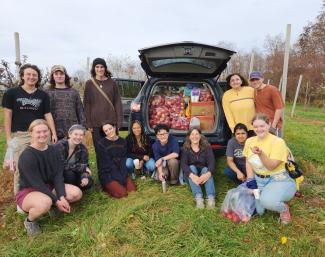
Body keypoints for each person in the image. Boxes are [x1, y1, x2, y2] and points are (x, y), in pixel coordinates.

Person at [16, 119, 82, 236]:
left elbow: (57, 175)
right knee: (44, 203)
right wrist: (56, 201)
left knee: (76, 193)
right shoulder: (27, 156)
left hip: (48, 186)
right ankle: (30, 221)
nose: (42, 134)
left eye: (45, 131)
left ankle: (53, 207)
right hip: (29, 190)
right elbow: (36, 184)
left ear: (49, 132)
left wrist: (61, 196)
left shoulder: (54, 150)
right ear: (31, 133)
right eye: (38, 132)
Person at [2, 64, 57, 196]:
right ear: (22, 76)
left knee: (44, 164)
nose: (31, 77)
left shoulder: (42, 95)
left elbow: (47, 114)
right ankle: (20, 197)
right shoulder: (11, 93)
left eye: (34, 75)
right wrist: (9, 137)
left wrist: (53, 133)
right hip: (20, 135)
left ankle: (44, 192)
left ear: (38, 78)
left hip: (41, 134)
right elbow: (7, 116)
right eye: (29, 74)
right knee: (20, 166)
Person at [243, 113, 296, 224]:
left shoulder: (278, 142)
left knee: (267, 202)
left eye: (262, 126)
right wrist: (250, 181)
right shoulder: (249, 141)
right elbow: (248, 162)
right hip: (259, 179)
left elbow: (271, 166)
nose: (259, 129)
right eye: (256, 126)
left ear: (269, 124)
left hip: (278, 179)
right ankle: (268, 196)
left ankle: (284, 208)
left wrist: (261, 154)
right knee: (260, 211)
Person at [83, 58, 123, 157]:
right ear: (94, 68)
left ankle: (115, 171)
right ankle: (102, 172)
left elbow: (117, 102)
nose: (99, 69)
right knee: (99, 150)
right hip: (96, 123)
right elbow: (87, 104)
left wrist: (119, 121)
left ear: (105, 68)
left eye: (102, 67)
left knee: (113, 149)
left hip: (111, 121)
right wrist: (88, 123)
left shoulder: (112, 83)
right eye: (97, 67)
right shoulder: (89, 84)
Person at [45, 65, 86, 140]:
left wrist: (82, 129)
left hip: (73, 132)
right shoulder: (47, 93)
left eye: (61, 74)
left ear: (65, 76)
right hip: (54, 133)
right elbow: (46, 113)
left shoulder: (74, 92)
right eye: (56, 74)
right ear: (52, 76)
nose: (59, 76)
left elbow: (80, 112)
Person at [97, 121, 136, 198]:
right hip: (108, 172)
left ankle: (120, 183)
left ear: (114, 128)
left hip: (121, 170)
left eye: (110, 128)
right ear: (104, 132)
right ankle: (106, 186)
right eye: (106, 131)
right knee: (122, 194)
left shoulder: (123, 141)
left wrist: (123, 176)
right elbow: (106, 164)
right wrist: (119, 178)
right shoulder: (101, 144)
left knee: (132, 190)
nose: (109, 131)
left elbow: (124, 158)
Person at [181, 128, 216, 209]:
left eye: (197, 134)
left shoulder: (207, 147)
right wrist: (192, 176)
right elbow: (183, 164)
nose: (195, 136)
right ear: (189, 137)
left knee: (206, 169)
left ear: (200, 136)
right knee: (191, 167)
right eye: (192, 134)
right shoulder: (186, 148)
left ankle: (210, 198)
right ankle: (199, 198)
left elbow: (212, 162)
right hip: (191, 176)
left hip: (203, 175)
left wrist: (207, 174)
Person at [55, 124, 93, 190]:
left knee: (88, 182)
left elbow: (84, 164)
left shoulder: (83, 148)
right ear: (69, 134)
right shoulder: (60, 145)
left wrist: (85, 176)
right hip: (60, 174)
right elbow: (60, 165)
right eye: (76, 134)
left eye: (81, 135)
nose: (78, 137)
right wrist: (82, 168)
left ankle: (75, 187)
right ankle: (70, 188)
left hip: (76, 172)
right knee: (69, 174)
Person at [249, 71, 284, 137]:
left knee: (275, 146)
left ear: (262, 79)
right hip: (260, 126)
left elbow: (279, 108)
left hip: (272, 125)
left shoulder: (272, 90)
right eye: (252, 80)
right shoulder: (254, 91)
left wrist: (273, 126)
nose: (255, 81)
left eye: (257, 79)